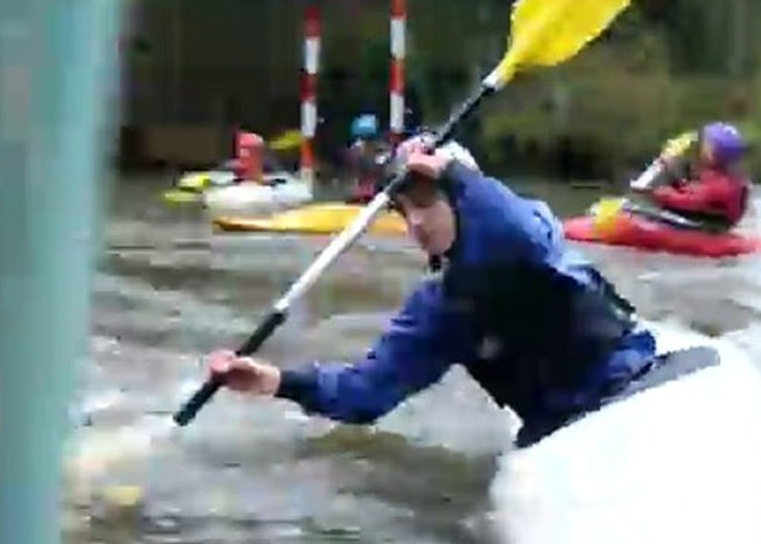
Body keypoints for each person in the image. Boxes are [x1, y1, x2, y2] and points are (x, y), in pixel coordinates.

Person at [205, 136, 657, 449]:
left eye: (427, 202)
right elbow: (364, 395)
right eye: (404, 209)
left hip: (628, 380)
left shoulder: (531, 230)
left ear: (463, 196)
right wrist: (276, 381)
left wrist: (455, 173)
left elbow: (517, 232)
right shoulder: (440, 310)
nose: (416, 222)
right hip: (562, 428)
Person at [646, 122, 751, 231]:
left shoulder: (721, 186)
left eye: (707, 144)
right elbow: (694, 188)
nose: (702, 145)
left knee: (671, 168)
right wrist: (672, 166)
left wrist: (658, 192)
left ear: (714, 154)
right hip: (705, 214)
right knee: (675, 164)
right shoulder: (726, 175)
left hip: (704, 224)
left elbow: (686, 200)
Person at [345, 113, 390, 204]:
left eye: (369, 138)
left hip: (375, 188)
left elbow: (382, 169)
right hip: (364, 187)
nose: (366, 141)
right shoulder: (357, 148)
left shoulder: (382, 150)